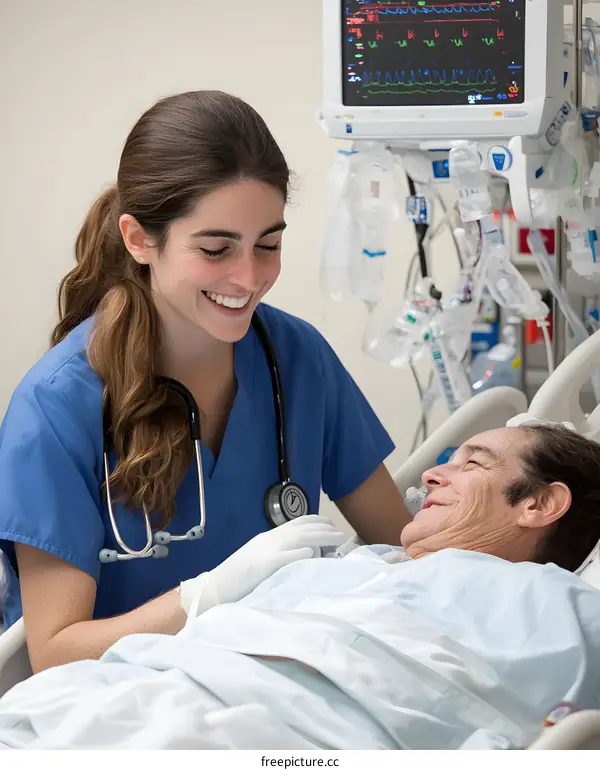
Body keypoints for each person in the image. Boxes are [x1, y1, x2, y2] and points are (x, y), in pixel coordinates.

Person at [0, 90, 411, 673]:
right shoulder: (57, 408)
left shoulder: (294, 358)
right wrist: (205, 597)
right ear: (140, 239)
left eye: (268, 244)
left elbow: (402, 544)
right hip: (125, 710)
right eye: (216, 249)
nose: (248, 277)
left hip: (281, 690)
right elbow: (56, 652)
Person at [2, 422, 600, 751]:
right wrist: (207, 594)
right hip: (109, 700)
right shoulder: (336, 563)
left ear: (542, 503)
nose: (433, 472)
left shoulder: (560, 605)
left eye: (474, 464)